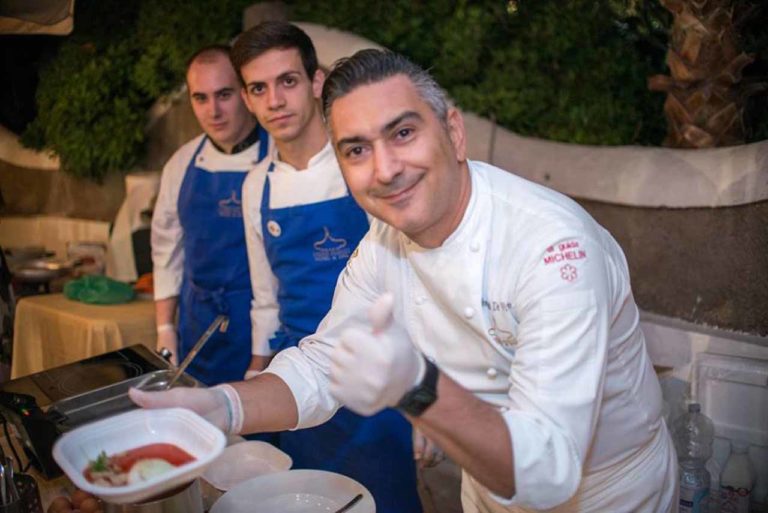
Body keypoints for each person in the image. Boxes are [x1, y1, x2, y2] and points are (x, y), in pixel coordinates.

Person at [132, 49, 677, 512]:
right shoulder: (384, 246)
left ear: (454, 132)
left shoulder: (553, 249)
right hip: (488, 490)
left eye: (404, 133)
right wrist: (225, 407)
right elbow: (322, 363)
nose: (386, 169)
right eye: (357, 150)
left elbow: (551, 468)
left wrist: (416, 387)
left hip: (609, 494)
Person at [231, 22, 421, 512]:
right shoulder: (257, 187)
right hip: (300, 381)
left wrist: (427, 406)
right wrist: (257, 375)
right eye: (259, 87)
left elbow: (414, 281)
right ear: (248, 100)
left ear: (316, 83)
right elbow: (265, 297)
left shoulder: (362, 166)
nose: (275, 100)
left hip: (378, 384)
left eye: (288, 81)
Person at [151, 45, 270, 385]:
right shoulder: (181, 164)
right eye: (200, 98)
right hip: (197, 326)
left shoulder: (277, 157)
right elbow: (166, 253)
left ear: (246, 94)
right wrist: (165, 328)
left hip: (262, 332)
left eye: (224, 95)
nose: (213, 111)